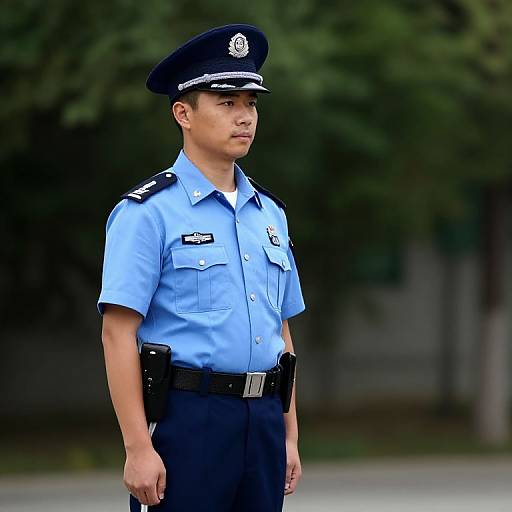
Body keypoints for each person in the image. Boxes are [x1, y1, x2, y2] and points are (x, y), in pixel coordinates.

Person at [97, 23, 306, 512]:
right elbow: (117, 333)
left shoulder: (269, 213)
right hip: (189, 421)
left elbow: (281, 332)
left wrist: (290, 433)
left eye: (251, 104)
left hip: (264, 421)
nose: (244, 117)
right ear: (183, 113)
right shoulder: (147, 212)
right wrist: (137, 448)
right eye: (226, 102)